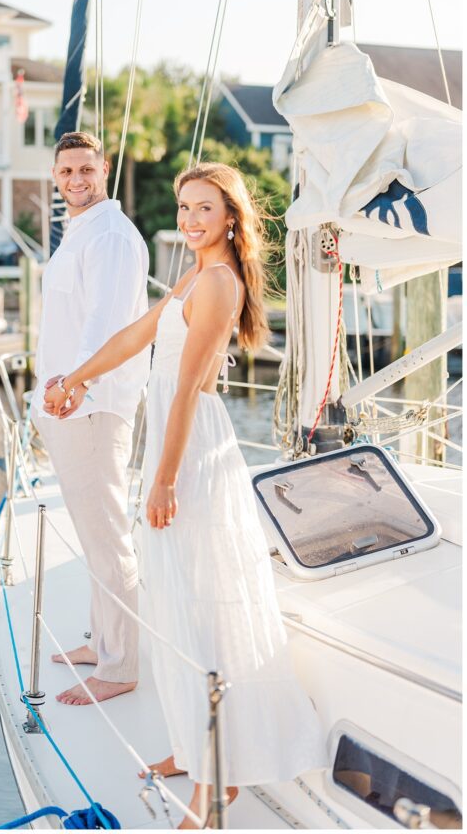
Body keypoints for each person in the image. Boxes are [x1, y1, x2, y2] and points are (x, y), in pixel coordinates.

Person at [44, 162, 327, 827]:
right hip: (172, 449)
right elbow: (135, 338)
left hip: (191, 452)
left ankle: (214, 783)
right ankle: (188, 748)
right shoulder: (195, 277)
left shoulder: (221, 285)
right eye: (183, 208)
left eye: (204, 209)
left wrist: (164, 480)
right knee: (173, 600)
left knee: (198, 607)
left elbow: (189, 398)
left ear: (230, 216)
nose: (190, 220)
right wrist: (76, 379)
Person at [32, 131, 150, 706]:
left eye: (86, 169)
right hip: (67, 402)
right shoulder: (81, 231)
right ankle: (101, 643)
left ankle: (121, 665)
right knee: (92, 532)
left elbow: (104, 323)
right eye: (66, 172)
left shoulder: (111, 237)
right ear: (56, 177)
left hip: (91, 406)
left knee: (108, 537)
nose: (76, 180)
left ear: (104, 169)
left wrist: (74, 384)